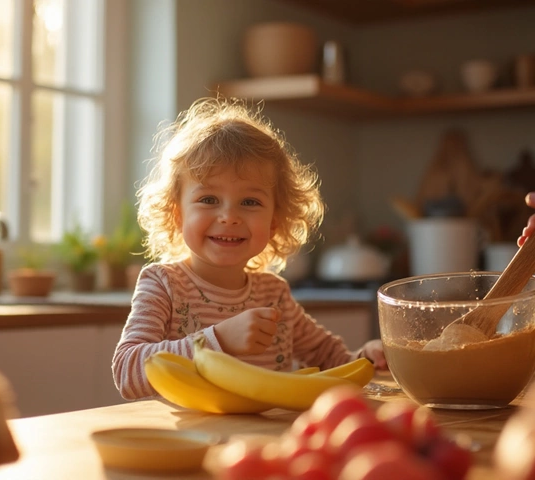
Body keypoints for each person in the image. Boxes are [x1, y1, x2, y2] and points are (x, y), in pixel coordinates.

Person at [112, 97, 386, 400]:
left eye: (250, 202)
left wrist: (365, 358)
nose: (229, 217)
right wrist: (217, 340)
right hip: (189, 441)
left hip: (266, 441)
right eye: (209, 199)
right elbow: (127, 371)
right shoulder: (163, 284)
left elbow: (327, 355)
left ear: (273, 223)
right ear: (178, 215)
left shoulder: (273, 294)